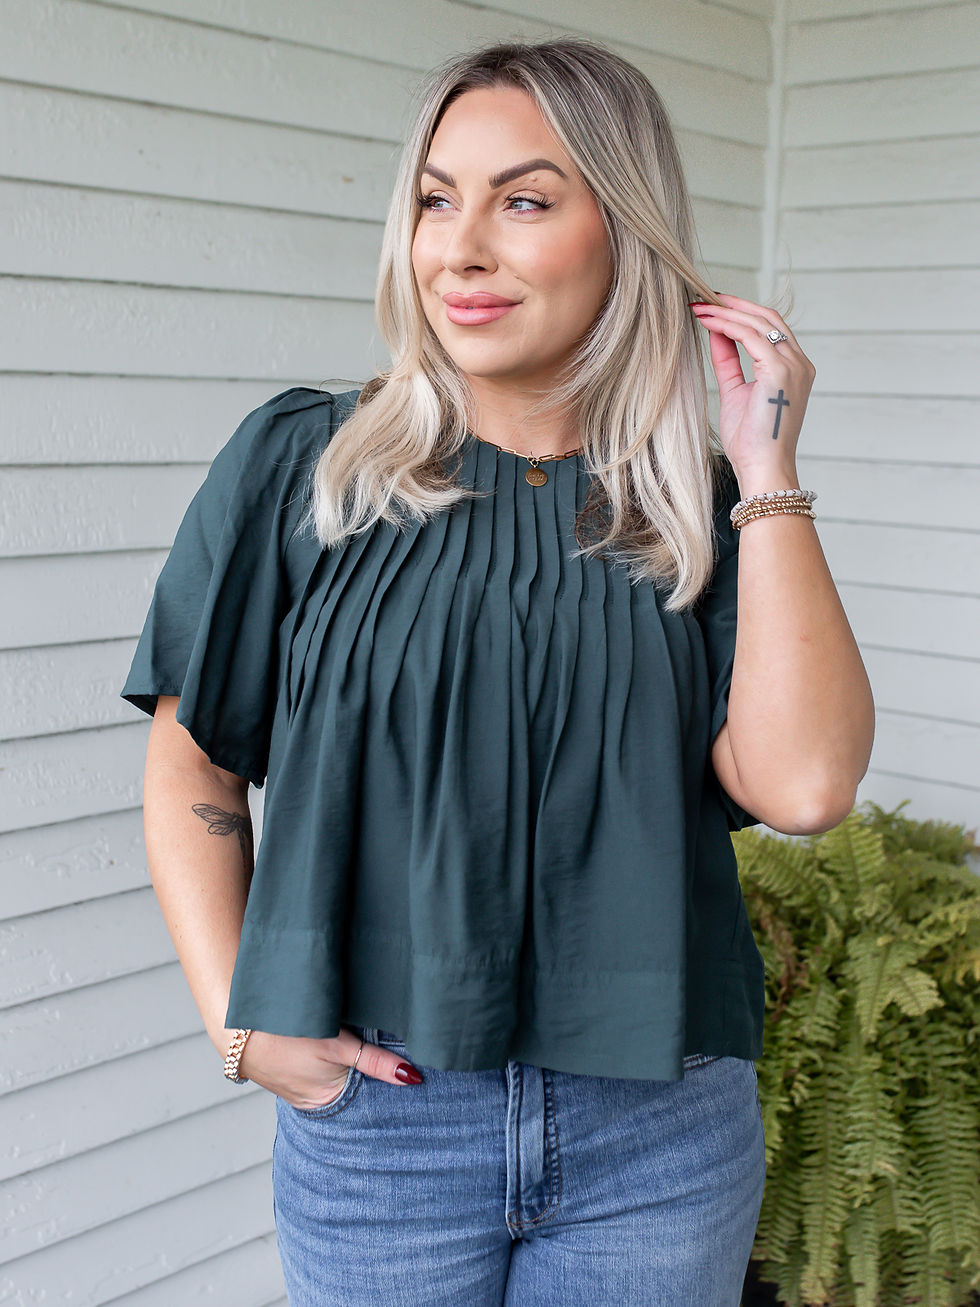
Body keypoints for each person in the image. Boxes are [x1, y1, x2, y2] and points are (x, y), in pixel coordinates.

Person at [121, 35, 875, 1307]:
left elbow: (801, 787)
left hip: (657, 1128)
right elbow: (194, 762)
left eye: (521, 201)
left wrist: (765, 471)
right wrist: (235, 1022)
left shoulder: (694, 507)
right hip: (386, 1122)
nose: (459, 248)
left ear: (620, 232)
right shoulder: (305, 469)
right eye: (435, 199)